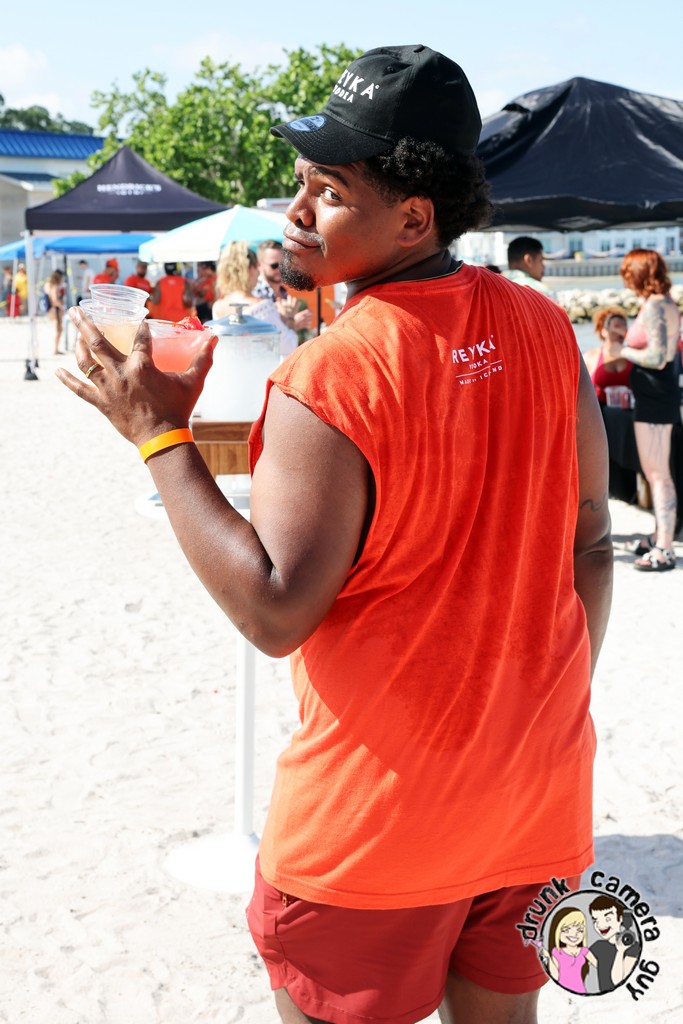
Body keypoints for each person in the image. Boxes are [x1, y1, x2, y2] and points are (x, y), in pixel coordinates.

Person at [56, 43, 613, 1024]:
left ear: (413, 217)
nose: (294, 212)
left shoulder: (334, 373)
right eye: (300, 183)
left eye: (328, 192)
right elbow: (591, 542)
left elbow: (274, 611)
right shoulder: (540, 329)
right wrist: (541, 703)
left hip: (375, 825)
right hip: (533, 791)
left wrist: (158, 436)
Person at [619, 248, 681, 572]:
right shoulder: (661, 303)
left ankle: (664, 549)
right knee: (656, 472)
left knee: (658, 474)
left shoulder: (657, 305)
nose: (625, 280)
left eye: (628, 273)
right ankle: (660, 535)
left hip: (656, 397)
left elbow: (658, 357)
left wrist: (624, 350)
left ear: (639, 274)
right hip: (656, 396)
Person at [212, 242, 300, 355]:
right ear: (249, 269)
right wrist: (290, 318)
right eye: (256, 267)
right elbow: (289, 346)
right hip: (258, 366)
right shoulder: (261, 307)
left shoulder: (218, 306)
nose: (258, 273)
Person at [255, 239, 313, 351]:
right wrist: (293, 323)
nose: (280, 270)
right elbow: (262, 336)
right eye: (274, 265)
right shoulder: (257, 294)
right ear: (259, 265)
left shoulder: (283, 292)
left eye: (283, 265)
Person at [588, 894, 640, 992]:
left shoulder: (633, 947)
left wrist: (620, 951)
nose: (600, 925)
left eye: (608, 919)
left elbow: (618, 981)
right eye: (596, 920)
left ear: (620, 919)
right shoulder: (598, 946)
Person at [542, 907, 597, 995]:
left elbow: (600, 966)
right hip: (561, 992)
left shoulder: (584, 951)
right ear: (557, 931)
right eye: (566, 930)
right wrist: (548, 957)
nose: (574, 934)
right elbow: (555, 976)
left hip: (580, 991)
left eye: (580, 930)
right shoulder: (557, 952)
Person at [583, 307, 632, 404]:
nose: (622, 330)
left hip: (631, 410)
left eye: (624, 326)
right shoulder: (590, 356)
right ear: (604, 331)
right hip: (601, 410)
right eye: (617, 326)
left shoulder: (634, 354)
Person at [502, 236, 557, 301]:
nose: (543, 266)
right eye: (540, 260)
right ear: (528, 260)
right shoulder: (541, 291)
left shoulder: (498, 286)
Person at [45, 269, 66, 354]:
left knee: (57, 329)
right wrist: (62, 307)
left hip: (50, 309)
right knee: (58, 330)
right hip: (55, 309)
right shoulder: (55, 286)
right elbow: (55, 299)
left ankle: (56, 349)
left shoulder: (48, 285)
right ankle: (55, 349)